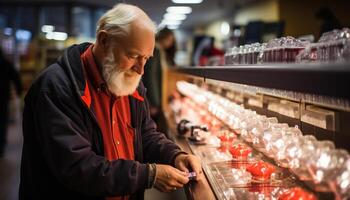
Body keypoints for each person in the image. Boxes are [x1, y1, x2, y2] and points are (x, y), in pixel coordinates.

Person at [20, 3, 202, 200]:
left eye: (146, 59)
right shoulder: (56, 87)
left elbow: (145, 134)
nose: (141, 70)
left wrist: (175, 156)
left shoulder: (130, 80)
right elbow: (76, 167)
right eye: (133, 56)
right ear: (104, 40)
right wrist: (148, 175)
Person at [143, 28, 176, 134]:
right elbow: (151, 76)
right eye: (170, 39)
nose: (171, 43)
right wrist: (154, 102)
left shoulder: (159, 50)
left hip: (155, 98)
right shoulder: (155, 50)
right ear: (164, 38)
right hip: (152, 99)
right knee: (151, 130)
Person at [0, 48, 22, 157]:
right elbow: (16, 77)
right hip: (3, 96)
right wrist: (19, 91)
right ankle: (1, 145)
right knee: (2, 120)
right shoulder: (5, 63)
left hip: (4, 96)